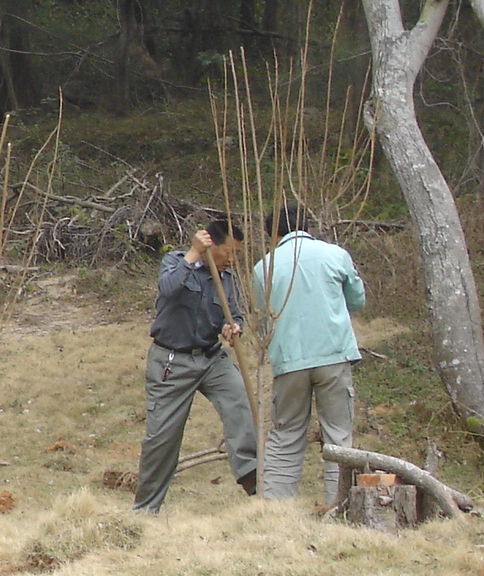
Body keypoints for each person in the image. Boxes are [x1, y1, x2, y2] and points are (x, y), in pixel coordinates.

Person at [132, 220, 260, 513]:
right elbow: (168, 289)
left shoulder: (227, 278)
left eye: (237, 253)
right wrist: (193, 252)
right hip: (172, 361)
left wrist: (234, 327)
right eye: (230, 251)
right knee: (162, 437)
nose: (233, 259)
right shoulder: (176, 261)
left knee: (240, 402)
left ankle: (253, 477)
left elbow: (234, 313)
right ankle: (146, 510)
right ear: (212, 245)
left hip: (211, 358)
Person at [253, 204, 366, 503]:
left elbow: (263, 319)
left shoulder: (263, 267)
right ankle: (340, 505)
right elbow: (357, 300)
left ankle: (275, 510)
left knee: (285, 435)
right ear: (308, 226)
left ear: (273, 234)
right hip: (333, 355)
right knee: (338, 437)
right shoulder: (335, 255)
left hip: (288, 362)